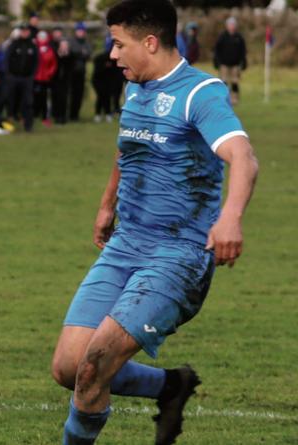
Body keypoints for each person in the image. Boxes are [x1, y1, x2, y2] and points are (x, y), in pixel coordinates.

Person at [50, 1, 259, 444]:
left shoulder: (200, 93)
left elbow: (243, 157)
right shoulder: (135, 87)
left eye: (118, 44)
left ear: (150, 42)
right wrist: (108, 204)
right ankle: (171, 386)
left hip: (177, 254)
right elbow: (128, 149)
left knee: (94, 368)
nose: (112, 54)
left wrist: (230, 219)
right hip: (127, 243)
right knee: (68, 369)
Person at [0, 23, 37, 134]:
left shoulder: (32, 46)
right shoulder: (13, 45)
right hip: (13, 78)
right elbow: (7, 60)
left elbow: (36, 62)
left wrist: (31, 76)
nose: (25, 33)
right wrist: (9, 75)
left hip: (26, 79)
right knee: (4, 98)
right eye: (23, 31)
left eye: (26, 31)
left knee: (28, 102)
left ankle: (28, 125)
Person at [214, 17, 246, 105]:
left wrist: (243, 61)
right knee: (223, 82)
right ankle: (224, 98)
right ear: (227, 26)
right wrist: (216, 61)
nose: (231, 26)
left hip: (235, 64)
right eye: (230, 24)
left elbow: (243, 51)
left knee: (235, 82)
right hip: (224, 64)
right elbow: (217, 50)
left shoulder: (239, 37)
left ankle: (234, 99)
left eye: (233, 25)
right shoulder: (222, 37)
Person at [68, 22, 91, 121]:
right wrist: (81, 53)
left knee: (79, 94)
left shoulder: (86, 42)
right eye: (79, 31)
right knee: (70, 94)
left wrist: (79, 54)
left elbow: (88, 54)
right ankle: (68, 114)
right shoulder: (72, 41)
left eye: (82, 31)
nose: (81, 33)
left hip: (81, 72)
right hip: (71, 72)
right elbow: (72, 53)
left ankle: (75, 115)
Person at [33, 30, 57, 127]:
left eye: (44, 37)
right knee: (33, 97)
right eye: (40, 37)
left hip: (46, 79)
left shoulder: (49, 49)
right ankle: (33, 115)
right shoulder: (34, 48)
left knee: (44, 98)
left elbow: (53, 63)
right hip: (35, 78)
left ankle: (44, 117)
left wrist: (49, 73)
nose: (42, 39)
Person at [50, 26, 71, 125]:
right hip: (55, 78)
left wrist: (66, 54)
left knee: (64, 98)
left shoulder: (69, 55)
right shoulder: (53, 49)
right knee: (55, 97)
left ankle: (63, 116)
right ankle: (56, 116)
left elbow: (70, 65)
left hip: (65, 79)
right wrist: (59, 54)